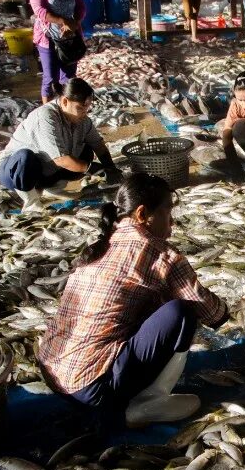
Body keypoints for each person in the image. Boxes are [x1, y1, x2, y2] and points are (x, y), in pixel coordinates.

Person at [38, 174, 229, 427]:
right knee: (181, 312)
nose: (172, 222)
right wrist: (227, 310)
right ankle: (146, 403)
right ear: (142, 214)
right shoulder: (161, 254)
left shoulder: (101, 244)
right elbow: (210, 313)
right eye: (166, 212)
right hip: (94, 388)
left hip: (55, 376)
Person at [0, 78, 123, 213]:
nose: (84, 113)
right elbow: (60, 159)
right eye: (80, 108)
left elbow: (98, 145)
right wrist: (94, 169)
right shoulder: (46, 116)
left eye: (87, 108)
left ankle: (52, 188)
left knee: (86, 151)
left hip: (42, 169)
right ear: (65, 101)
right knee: (24, 157)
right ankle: (31, 202)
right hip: (13, 171)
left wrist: (110, 167)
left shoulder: (83, 120)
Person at [30, 0, 85, 104]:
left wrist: (74, 23)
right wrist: (63, 21)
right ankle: (47, 110)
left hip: (69, 37)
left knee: (69, 76)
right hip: (47, 36)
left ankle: (67, 109)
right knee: (49, 77)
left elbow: (81, 7)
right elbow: (39, 10)